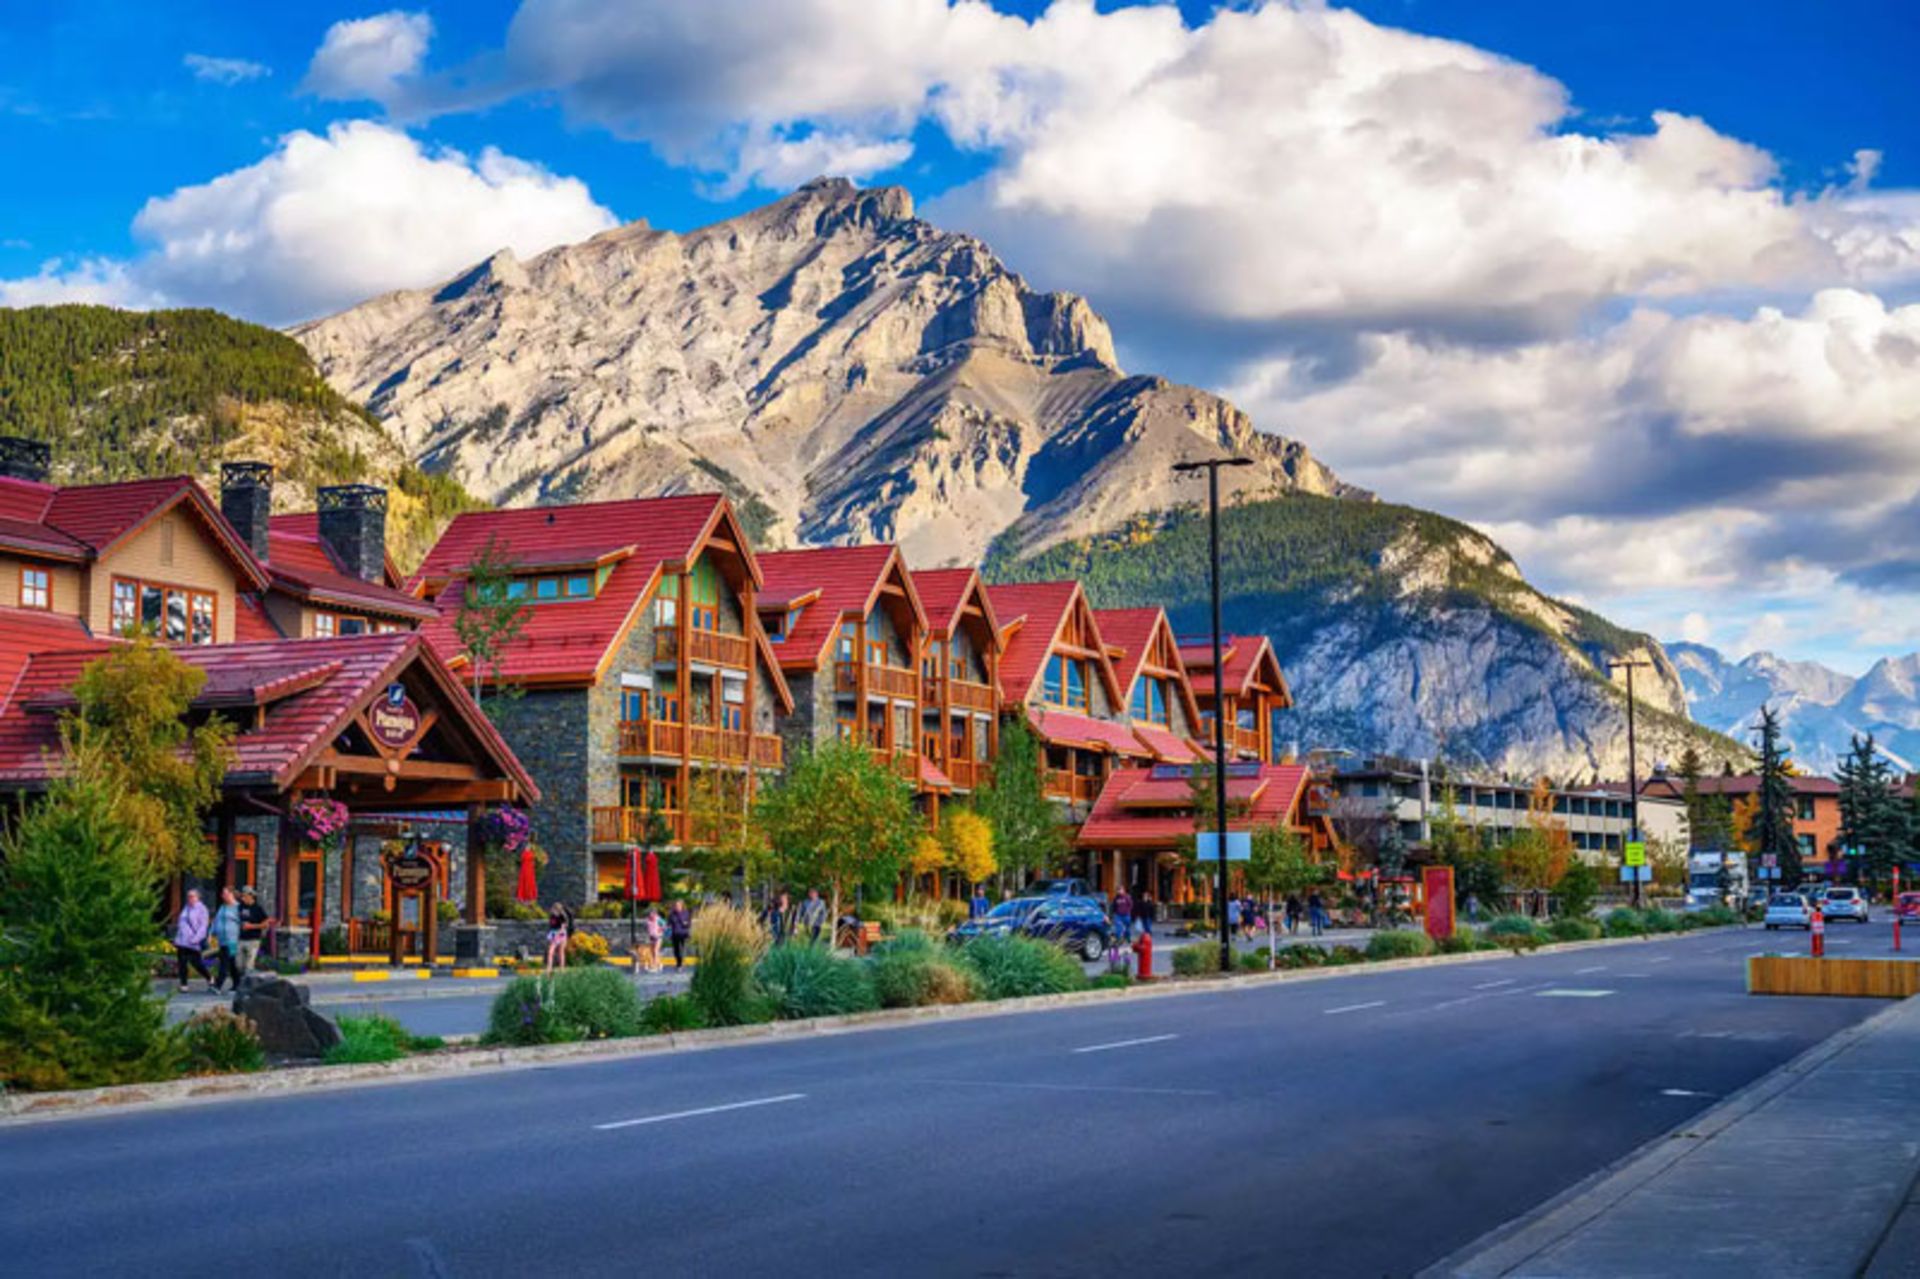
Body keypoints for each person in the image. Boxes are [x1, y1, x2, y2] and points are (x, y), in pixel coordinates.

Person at [173, 888, 214, 993]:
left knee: (196, 963)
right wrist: (177, 938)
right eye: (188, 896)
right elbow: (181, 924)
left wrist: (195, 939)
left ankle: (209, 977)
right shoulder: (186, 908)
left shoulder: (202, 909)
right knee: (182, 963)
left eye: (192, 896)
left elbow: (203, 927)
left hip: (193, 942)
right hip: (182, 941)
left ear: (197, 897)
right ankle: (184, 985)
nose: (189, 898)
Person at [209, 888, 243, 993]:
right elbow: (216, 921)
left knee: (224, 962)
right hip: (222, 939)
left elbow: (242, 923)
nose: (222, 895)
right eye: (222, 893)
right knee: (232, 963)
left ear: (231, 895)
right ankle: (237, 985)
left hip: (232, 939)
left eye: (225, 893)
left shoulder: (238, 908)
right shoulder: (222, 907)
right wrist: (211, 933)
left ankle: (218, 985)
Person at [236, 888, 271, 978]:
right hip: (240, 939)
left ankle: (245, 986)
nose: (242, 898)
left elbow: (266, 924)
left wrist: (251, 926)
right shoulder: (240, 907)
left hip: (253, 939)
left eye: (244, 896)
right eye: (242, 896)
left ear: (251, 896)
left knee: (248, 966)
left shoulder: (258, 908)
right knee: (238, 965)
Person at [544, 901, 572, 974]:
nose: (553, 911)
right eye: (553, 909)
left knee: (560, 952)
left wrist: (558, 934)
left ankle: (561, 969)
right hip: (554, 932)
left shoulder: (562, 916)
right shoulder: (552, 916)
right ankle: (549, 968)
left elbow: (564, 926)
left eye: (555, 909)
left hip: (560, 933)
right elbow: (551, 925)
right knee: (550, 952)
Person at [667, 899, 693, 968]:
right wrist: (668, 932)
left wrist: (686, 923)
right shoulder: (672, 914)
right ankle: (678, 962)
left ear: (682, 906)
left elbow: (689, 923)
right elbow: (668, 924)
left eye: (678, 905)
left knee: (682, 949)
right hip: (675, 934)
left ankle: (681, 963)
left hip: (683, 934)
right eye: (675, 905)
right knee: (676, 950)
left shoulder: (686, 913)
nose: (676, 907)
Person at [640, 905, 665, 974]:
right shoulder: (648, 920)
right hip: (651, 937)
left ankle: (655, 966)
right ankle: (660, 964)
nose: (651, 915)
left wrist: (661, 929)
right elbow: (646, 927)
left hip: (658, 937)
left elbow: (665, 925)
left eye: (653, 913)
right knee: (652, 951)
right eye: (650, 913)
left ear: (655, 913)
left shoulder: (659, 919)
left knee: (655, 950)